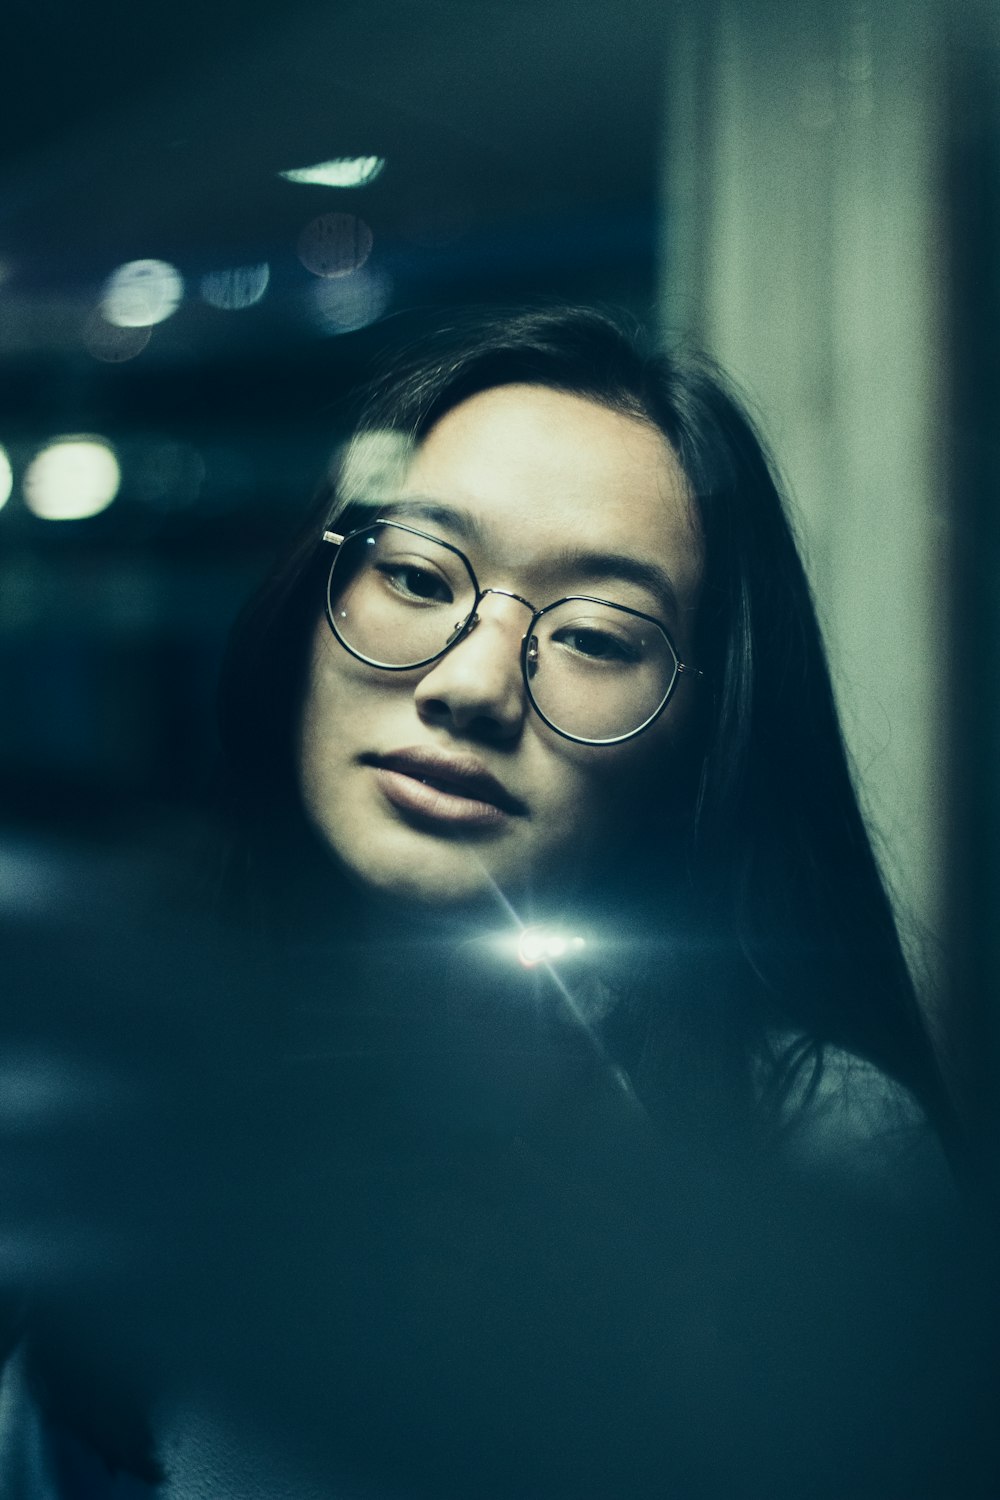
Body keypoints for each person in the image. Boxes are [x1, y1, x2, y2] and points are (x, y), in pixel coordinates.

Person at [6, 306, 992, 1496]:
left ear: (695, 739)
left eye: (593, 635)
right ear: (306, 610)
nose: (472, 684)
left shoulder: (804, 1138)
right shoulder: (136, 1085)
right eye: (417, 576)